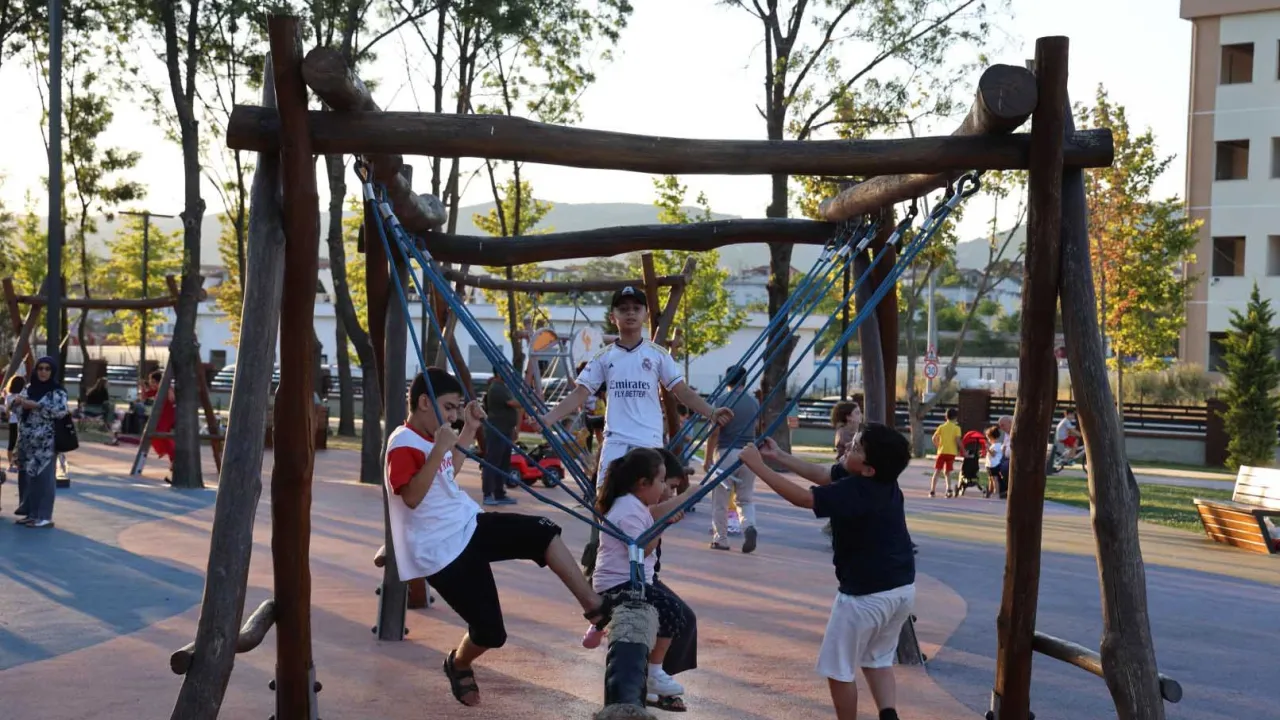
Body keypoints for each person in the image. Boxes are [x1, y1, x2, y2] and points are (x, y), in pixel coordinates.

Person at [383, 367, 611, 708]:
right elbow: (412, 497)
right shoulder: (403, 443)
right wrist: (440, 448)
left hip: (468, 525)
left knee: (543, 531)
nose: (453, 416)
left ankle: (594, 607)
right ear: (424, 403)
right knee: (491, 633)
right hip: (441, 552)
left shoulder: (433, 437)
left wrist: (468, 429)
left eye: (456, 409)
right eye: (448, 408)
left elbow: (447, 472)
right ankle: (458, 663)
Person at [541, 286, 732, 569]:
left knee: (651, 506)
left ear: (644, 315)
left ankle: (649, 564)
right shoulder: (604, 357)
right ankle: (599, 557)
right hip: (615, 442)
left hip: (648, 443)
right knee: (604, 503)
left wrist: (711, 412)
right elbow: (580, 393)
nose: (630, 313)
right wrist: (548, 418)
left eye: (636, 308)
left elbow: (681, 391)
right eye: (623, 309)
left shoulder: (658, 355)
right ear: (613, 317)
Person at [738, 424, 915, 720]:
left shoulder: (858, 490)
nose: (847, 447)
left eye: (855, 447)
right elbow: (823, 475)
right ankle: (889, 715)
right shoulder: (883, 481)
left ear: (868, 469)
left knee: (838, 669)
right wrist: (778, 456)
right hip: (901, 590)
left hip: (864, 596)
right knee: (878, 659)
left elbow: (805, 499)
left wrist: (758, 467)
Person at [586, 447, 695, 701]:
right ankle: (654, 672)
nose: (664, 488)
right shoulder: (628, 510)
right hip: (620, 583)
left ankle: (601, 626)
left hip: (625, 579)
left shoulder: (634, 505)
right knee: (671, 610)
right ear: (643, 483)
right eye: (661, 481)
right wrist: (663, 524)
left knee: (667, 609)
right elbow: (641, 549)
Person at [703, 365, 761, 553]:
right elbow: (756, 427)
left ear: (727, 379)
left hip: (725, 452)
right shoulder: (754, 402)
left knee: (720, 499)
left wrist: (708, 458)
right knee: (745, 499)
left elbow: (714, 433)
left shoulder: (721, 401)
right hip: (748, 453)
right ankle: (749, 526)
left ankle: (721, 539)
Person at [14, 357, 70, 529]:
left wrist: (37, 406)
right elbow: (16, 409)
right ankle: (31, 513)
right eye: (40, 368)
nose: (43, 372)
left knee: (44, 478)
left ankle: (44, 516)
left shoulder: (57, 392)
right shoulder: (29, 388)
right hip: (26, 440)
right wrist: (18, 403)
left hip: (45, 442)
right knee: (28, 477)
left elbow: (61, 412)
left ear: (52, 372)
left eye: (47, 369)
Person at [479, 375, 519, 506]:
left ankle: (499, 493)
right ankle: (488, 494)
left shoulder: (504, 388)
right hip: (497, 431)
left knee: (503, 463)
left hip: (505, 430)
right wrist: (529, 400)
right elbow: (513, 403)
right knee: (493, 462)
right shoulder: (497, 388)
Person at [929, 408, 963, 498]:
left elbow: (933, 438)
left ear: (946, 417)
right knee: (947, 472)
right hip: (951, 453)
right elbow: (958, 440)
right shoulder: (957, 428)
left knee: (937, 471)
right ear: (955, 417)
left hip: (942, 452)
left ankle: (932, 491)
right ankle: (948, 489)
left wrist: (938, 446)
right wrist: (963, 450)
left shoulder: (941, 427)